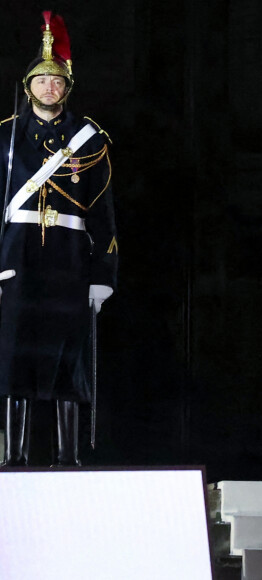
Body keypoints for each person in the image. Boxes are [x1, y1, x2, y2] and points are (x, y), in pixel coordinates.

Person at [0, 12, 118, 467]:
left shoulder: (90, 141)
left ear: (67, 87)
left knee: (68, 361)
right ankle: (14, 458)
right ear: (28, 85)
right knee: (16, 359)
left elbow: (103, 215)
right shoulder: (7, 138)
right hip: (19, 261)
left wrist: (102, 275)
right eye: (42, 79)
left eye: (57, 80)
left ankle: (68, 459)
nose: (50, 87)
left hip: (69, 262)